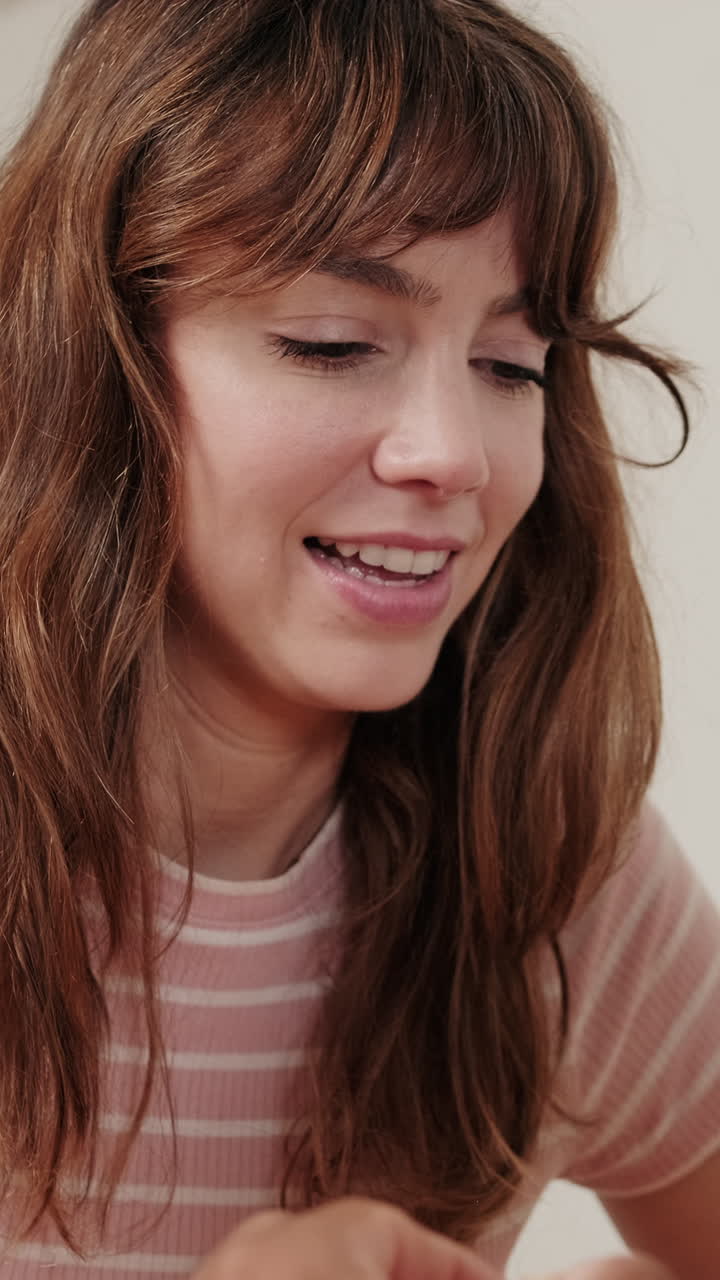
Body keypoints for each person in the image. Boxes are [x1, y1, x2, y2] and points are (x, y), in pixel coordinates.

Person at [0, 0, 717, 1276]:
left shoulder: (559, 880)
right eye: (330, 344)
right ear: (96, 364)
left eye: (510, 364)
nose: (451, 453)